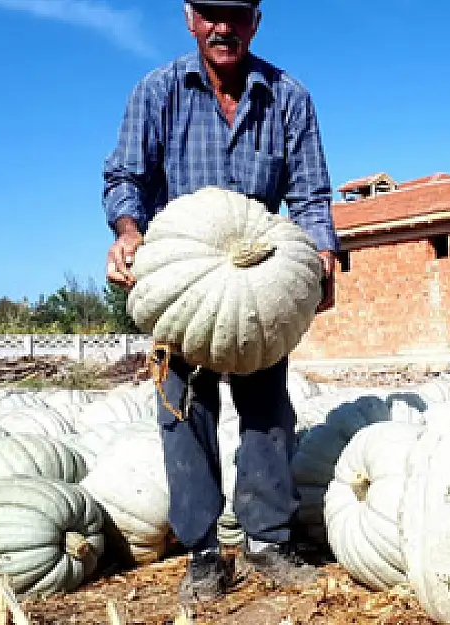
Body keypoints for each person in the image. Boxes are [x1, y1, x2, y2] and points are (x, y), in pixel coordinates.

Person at [101, 0, 339, 603]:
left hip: (259, 288)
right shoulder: (158, 92)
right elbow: (125, 177)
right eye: (210, 12)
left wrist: (323, 249)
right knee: (184, 414)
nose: (222, 26)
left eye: (235, 13)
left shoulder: (289, 98)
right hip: (180, 285)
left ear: (256, 18)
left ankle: (270, 543)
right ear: (189, 16)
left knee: (266, 414)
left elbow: (310, 193)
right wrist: (128, 232)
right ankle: (203, 554)